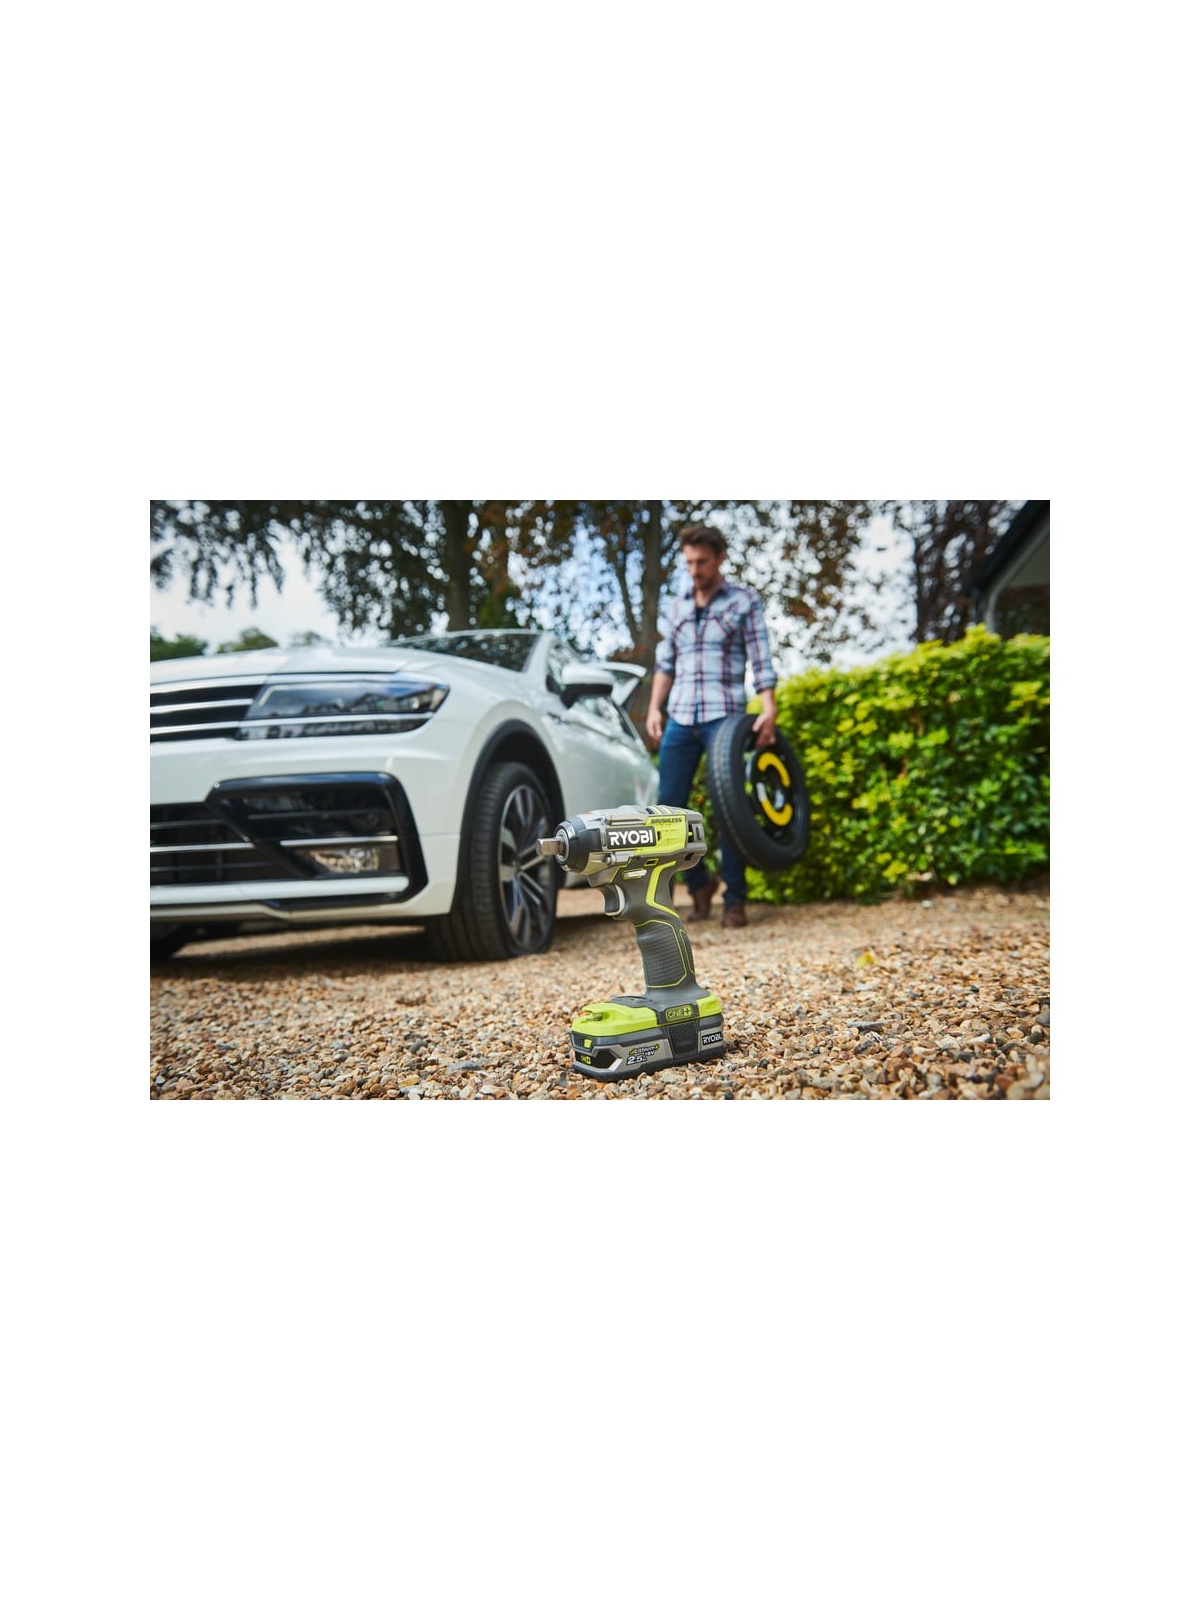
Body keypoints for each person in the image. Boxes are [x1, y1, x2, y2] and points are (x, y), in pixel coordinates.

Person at [644, 524, 778, 930]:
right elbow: (665, 664)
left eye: (702, 562)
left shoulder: (743, 602)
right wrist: (655, 708)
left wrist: (769, 709)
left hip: (726, 717)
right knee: (668, 809)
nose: (695, 570)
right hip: (681, 716)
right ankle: (699, 884)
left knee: (728, 808)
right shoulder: (676, 607)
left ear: (720, 558)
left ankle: (734, 899)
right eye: (689, 562)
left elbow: (761, 659)